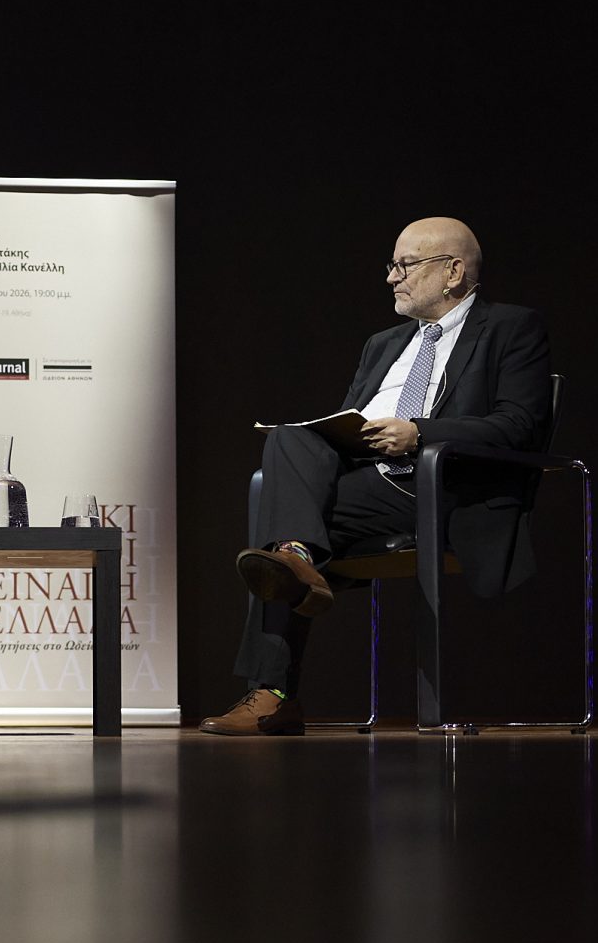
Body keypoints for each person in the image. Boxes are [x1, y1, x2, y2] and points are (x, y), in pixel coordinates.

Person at [203, 216, 553, 736]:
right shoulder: (383, 344)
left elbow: (520, 426)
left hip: (442, 487)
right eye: (392, 265)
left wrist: (420, 433)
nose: (392, 277)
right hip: (369, 481)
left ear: (453, 272)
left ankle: (274, 690)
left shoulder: (510, 328)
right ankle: (296, 561)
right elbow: (346, 422)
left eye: (405, 265)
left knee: (278, 521)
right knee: (289, 444)